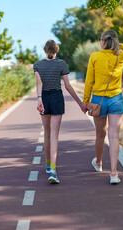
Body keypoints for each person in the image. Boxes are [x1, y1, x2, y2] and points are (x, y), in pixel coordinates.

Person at [82, 30, 123, 184]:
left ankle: (99, 163)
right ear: (114, 41)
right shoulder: (120, 55)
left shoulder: (95, 56)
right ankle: (114, 174)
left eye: (101, 40)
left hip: (98, 100)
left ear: (103, 41)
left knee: (100, 134)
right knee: (113, 136)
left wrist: (85, 101)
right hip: (116, 99)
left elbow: (89, 82)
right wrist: (118, 45)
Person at [34, 40, 87, 184]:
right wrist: (80, 103)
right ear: (56, 50)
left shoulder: (37, 65)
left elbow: (39, 83)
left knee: (46, 132)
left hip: (43, 97)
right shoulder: (61, 64)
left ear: (45, 50)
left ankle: (47, 164)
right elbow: (68, 86)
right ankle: (53, 170)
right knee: (54, 135)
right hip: (57, 97)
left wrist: (39, 99)